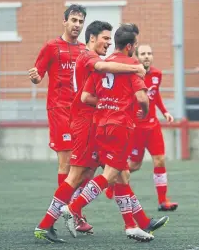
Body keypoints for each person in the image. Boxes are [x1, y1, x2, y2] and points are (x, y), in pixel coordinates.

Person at [34, 20, 147, 242]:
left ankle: (139, 222)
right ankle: (54, 219)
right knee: (80, 175)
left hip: (97, 122)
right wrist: (135, 67)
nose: (108, 42)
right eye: (105, 38)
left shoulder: (96, 59)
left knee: (117, 173)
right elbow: (98, 76)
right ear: (92, 38)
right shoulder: (88, 57)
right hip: (86, 124)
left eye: (110, 38)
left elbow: (96, 86)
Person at [61, 23, 164, 242]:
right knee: (110, 175)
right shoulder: (132, 65)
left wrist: (107, 105)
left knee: (121, 175)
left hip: (100, 125)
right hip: (120, 126)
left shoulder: (103, 65)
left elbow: (85, 96)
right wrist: (142, 112)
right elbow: (142, 98)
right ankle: (73, 207)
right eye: (136, 46)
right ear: (129, 46)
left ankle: (134, 224)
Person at [105, 44, 178, 211]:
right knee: (134, 165)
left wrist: (165, 112)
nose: (147, 56)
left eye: (149, 53)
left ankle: (162, 201)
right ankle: (111, 181)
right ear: (137, 56)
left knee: (159, 160)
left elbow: (154, 94)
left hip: (153, 127)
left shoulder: (157, 74)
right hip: (135, 128)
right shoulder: (132, 74)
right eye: (143, 53)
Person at [28, 4, 87, 189]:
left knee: (82, 163)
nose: (77, 25)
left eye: (80, 21)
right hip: (59, 109)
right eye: (73, 20)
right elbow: (38, 75)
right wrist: (36, 78)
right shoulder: (51, 47)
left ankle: (73, 209)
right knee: (67, 161)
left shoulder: (85, 50)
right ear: (65, 21)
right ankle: (64, 208)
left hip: (80, 112)